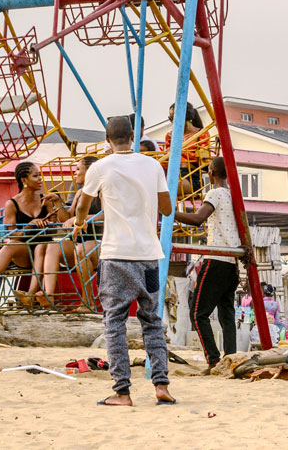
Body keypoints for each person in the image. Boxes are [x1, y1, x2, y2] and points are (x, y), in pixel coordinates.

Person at [73, 115, 174, 407]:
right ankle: (162, 386)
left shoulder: (101, 167)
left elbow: (82, 204)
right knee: (152, 320)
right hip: (149, 257)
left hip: (116, 255)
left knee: (114, 322)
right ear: (132, 136)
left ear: (107, 140)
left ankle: (122, 391)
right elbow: (166, 208)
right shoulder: (153, 165)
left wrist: (79, 223)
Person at [173, 157, 240, 368]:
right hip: (232, 260)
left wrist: (170, 213)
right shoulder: (234, 195)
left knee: (197, 313)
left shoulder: (215, 193)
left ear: (211, 173)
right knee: (226, 314)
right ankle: (232, 358)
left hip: (216, 259)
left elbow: (198, 218)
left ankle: (213, 359)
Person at [0, 162, 64, 307]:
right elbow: (12, 235)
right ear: (24, 180)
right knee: (11, 244)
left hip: (46, 252)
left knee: (41, 247)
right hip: (24, 253)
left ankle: (30, 295)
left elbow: (53, 232)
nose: (40, 179)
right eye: (35, 176)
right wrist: (30, 225)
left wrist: (51, 220)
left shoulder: (46, 200)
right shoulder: (12, 204)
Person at [31, 155, 101, 311]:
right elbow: (66, 219)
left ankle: (87, 301)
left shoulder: (102, 190)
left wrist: (81, 218)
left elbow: (107, 213)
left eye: (78, 169)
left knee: (81, 250)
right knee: (53, 246)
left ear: (89, 171)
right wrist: (57, 202)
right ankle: (49, 295)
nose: (75, 173)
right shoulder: (79, 193)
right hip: (79, 241)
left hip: (99, 241)